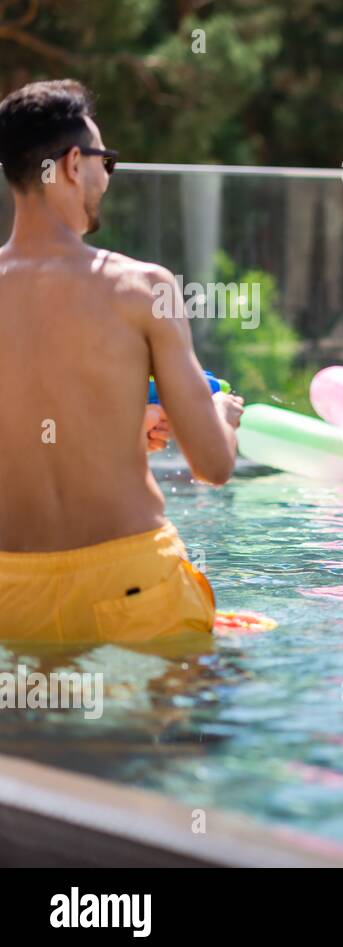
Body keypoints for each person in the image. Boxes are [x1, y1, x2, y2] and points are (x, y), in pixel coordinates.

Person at [0, 79, 244, 644]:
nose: (107, 177)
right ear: (71, 165)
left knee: (30, 731)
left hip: (11, 592)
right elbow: (212, 466)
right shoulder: (142, 288)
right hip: (132, 586)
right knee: (173, 727)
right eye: (106, 161)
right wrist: (220, 413)